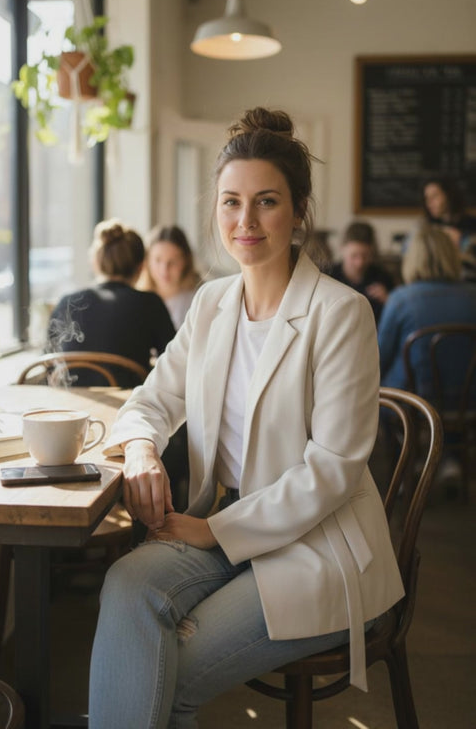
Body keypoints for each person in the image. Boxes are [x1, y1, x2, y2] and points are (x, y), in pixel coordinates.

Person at [88, 107, 403, 728]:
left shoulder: (341, 313)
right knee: (126, 583)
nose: (246, 221)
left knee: (162, 670)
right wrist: (143, 448)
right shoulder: (211, 304)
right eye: (231, 202)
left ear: (298, 211)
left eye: (266, 202)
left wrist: (214, 530)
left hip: (317, 545)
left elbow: (332, 471)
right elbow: (151, 399)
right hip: (221, 524)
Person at [377, 223, 476, 489]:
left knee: (381, 389)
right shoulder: (472, 296)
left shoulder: (400, 299)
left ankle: (405, 464)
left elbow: (379, 356)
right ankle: (450, 457)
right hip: (468, 400)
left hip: (415, 402)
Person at [46, 218, 175, 388]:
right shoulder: (150, 304)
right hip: (125, 402)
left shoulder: (67, 302)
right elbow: (174, 362)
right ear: (141, 267)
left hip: (70, 402)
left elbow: (48, 364)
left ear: (96, 262)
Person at [329, 221, 394, 323]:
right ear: (342, 250)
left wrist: (388, 300)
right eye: (354, 256)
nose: (360, 263)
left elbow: (395, 318)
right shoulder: (328, 276)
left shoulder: (383, 278)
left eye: (365, 256)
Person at [138, 225, 201, 330]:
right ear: (147, 261)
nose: (164, 270)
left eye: (173, 261)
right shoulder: (138, 300)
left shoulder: (198, 300)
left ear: (185, 261)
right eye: (158, 260)